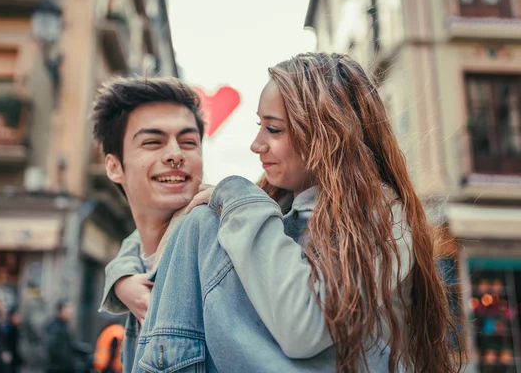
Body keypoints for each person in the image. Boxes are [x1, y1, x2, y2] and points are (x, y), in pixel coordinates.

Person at [111, 53, 465, 372]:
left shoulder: (379, 216)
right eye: (259, 126)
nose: (257, 144)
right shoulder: (276, 209)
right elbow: (174, 239)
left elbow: (304, 328)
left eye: (274, 129)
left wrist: (235, 191)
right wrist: (123, 275)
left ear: (327, 133)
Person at [92, 76, 206, 370]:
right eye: (153, 142)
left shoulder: (225, 244)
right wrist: (119, 278)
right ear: (114, 166)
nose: (175, 155)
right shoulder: (136, 259)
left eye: (188, 142)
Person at [46, 300, 76, 373]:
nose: (70, 312)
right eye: (67, 309)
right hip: (57, 368)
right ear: (61, 310)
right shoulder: (55, 327)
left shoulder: (64, 325)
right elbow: (52, 348)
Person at [4, 306, 23, 373]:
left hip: (17, 362)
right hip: (10, 362)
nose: (19, 319)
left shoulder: (18, 329)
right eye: (16, 317)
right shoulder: (8, 330)